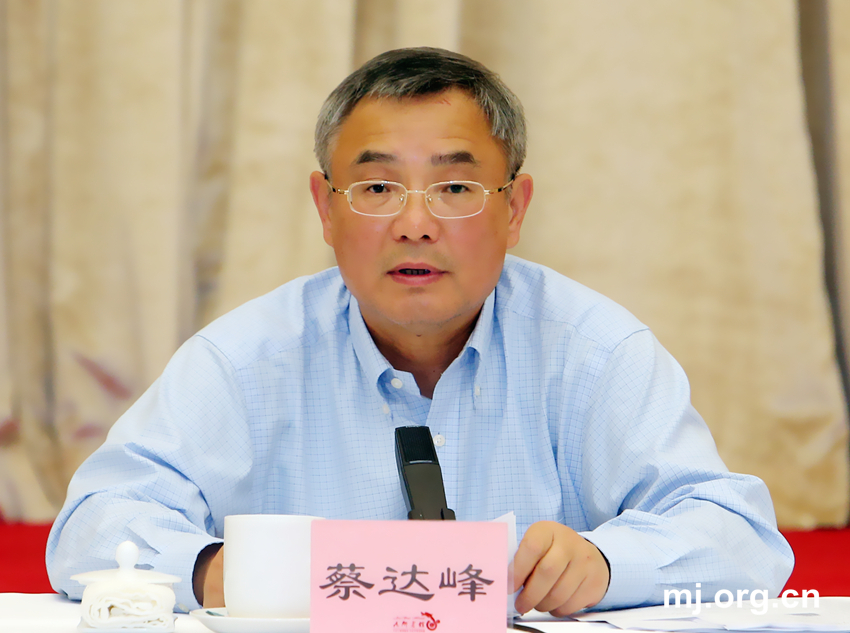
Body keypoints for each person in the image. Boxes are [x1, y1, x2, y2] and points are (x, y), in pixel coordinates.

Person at [47, 47, 793, 616]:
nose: (414, 224)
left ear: (514, 208)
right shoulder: (243, 360)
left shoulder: (594, 352)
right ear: (326, 209)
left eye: (455, 187)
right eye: (376, 187)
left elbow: (743, 539)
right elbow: (92, 528)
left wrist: (603, 564)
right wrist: (219, 571)